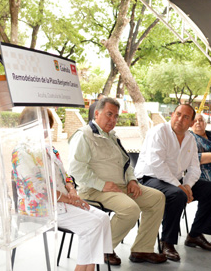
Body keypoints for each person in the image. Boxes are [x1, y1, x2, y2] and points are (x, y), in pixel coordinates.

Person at [69, 97, 167, 265]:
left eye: (115, 116)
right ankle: (101, 250)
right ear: (97, 113)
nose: (113, 120)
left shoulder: (112, 136)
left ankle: (141, 249)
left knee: (157, 198)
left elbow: (126, 163)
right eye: (109, 114)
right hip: (94, 189)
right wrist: (102, 184)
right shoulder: (84, 135)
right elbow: (76, 170)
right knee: (130, 210)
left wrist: (132, 181)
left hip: (120, 186)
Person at [12, 108, 112, 271]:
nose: (46, 129)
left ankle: (89, 267)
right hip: (41, 208)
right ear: (28, 125)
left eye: (47, 124)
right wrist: (69, 199)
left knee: (102, 218)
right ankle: (82, 268)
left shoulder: (49, 149)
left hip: (64, 202)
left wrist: (72, 190)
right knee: (92, 225)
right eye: (41, 124)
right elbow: (38, 190)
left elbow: (65, 175)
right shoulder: (21, 152)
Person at [135, 104, 211, 262]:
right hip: (148, 178)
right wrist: (180, 186)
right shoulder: (159, 132)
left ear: (191, 122)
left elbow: (195, 168)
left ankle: (195, 235)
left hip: (173, 180)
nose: (180, 119)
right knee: (177, 194)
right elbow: (157, 165)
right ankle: (167, 243)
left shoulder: (190, 139)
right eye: (178, 114)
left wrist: (187, 185)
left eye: (186, 117)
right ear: (172, 115)